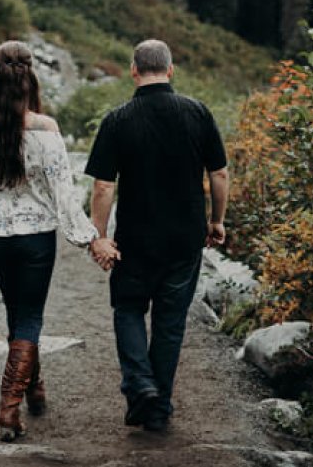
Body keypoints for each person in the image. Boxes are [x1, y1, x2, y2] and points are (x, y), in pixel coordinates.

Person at [0, 41, 98, 441]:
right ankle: (8, 406)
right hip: (36, 237)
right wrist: (88, 238)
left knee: (17, 313)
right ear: (31, 76)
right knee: (30, 316)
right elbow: (64, 194)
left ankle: (34, 390)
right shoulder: (46, 128)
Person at [86, 39, 229, 432]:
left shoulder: (118, 119)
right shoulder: (198, 113)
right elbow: (218, 173)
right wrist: (217, 220)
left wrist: (100, 236)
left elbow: (103, 186)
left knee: (129, 309)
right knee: (170, 320)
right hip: (185, 238)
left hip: (135, 238)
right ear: (171, 70)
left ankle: (141, 385)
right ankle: (158, 405)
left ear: (134, 70)